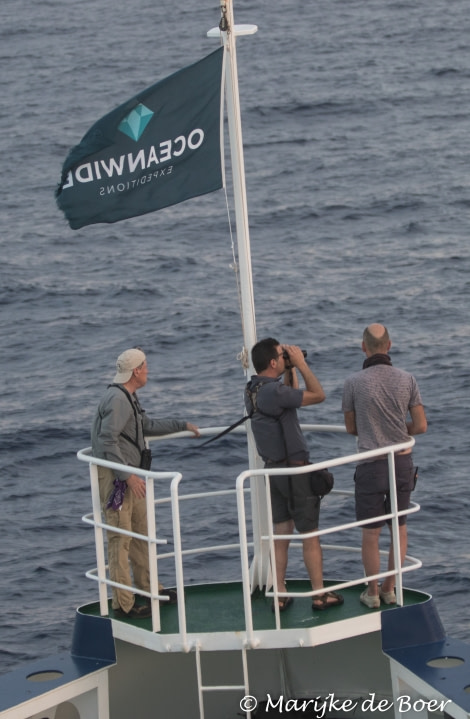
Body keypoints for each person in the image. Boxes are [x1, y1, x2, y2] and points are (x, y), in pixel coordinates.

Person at [91, 347, 200, 619]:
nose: (148, 370)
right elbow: (107, 440)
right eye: (146, 366)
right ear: (136, 370)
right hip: (121, 479)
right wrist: (127, 476)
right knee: (121, 538)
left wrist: (181, 425)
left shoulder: (128, 396)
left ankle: (149, 589)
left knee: (140, 534)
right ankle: (124, 604)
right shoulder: (118, 399)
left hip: (131, 476)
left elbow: (145, 426)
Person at [245, 337, 344, 612]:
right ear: (273, 362)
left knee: (282, 532)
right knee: (309, 534)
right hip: (294, 471)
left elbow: (291, 396)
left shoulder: (255, 389)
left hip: (274, 471)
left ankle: (279, 592)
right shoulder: (274, 392)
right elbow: (318, 395)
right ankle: (319, 595)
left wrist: (289, 370)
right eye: (282, 355)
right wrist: (301, 364)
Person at [342, 324, 427, 609]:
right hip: (402, 462)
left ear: (363, 347)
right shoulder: (408, 379)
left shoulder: (353, 382)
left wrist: (374, 427)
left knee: (371, 533)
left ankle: (372, 592)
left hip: (371, 465)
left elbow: (351, 427)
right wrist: (397, 428)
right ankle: (391, 588)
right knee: (399, 528)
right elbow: (421, 426)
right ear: (389, 346)